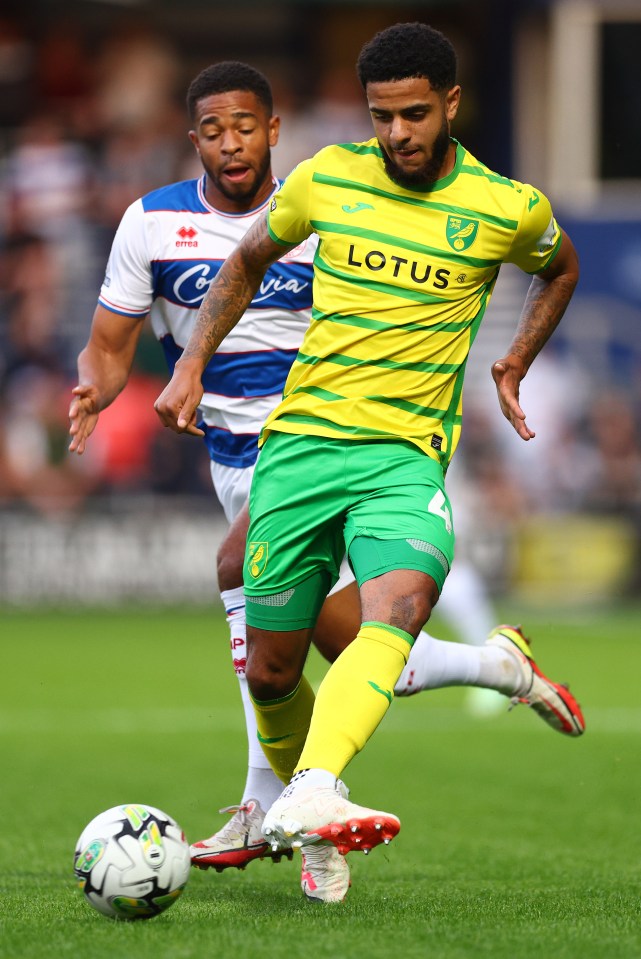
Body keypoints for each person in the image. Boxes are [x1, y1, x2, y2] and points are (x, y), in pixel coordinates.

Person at [71, 55, 583, 904]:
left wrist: (511, 361)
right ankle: (497, 668)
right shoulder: (186, 217)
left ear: (274, 130)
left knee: (296, 585)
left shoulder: (479, 204)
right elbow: (119, 336)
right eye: (211, 128)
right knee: (330, 653)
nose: (229, 143)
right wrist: (125, 377)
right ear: (190, 135)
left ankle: (276, 801)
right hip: (253, 461)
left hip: (364, 448)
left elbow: (548, 263)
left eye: (245, 126)